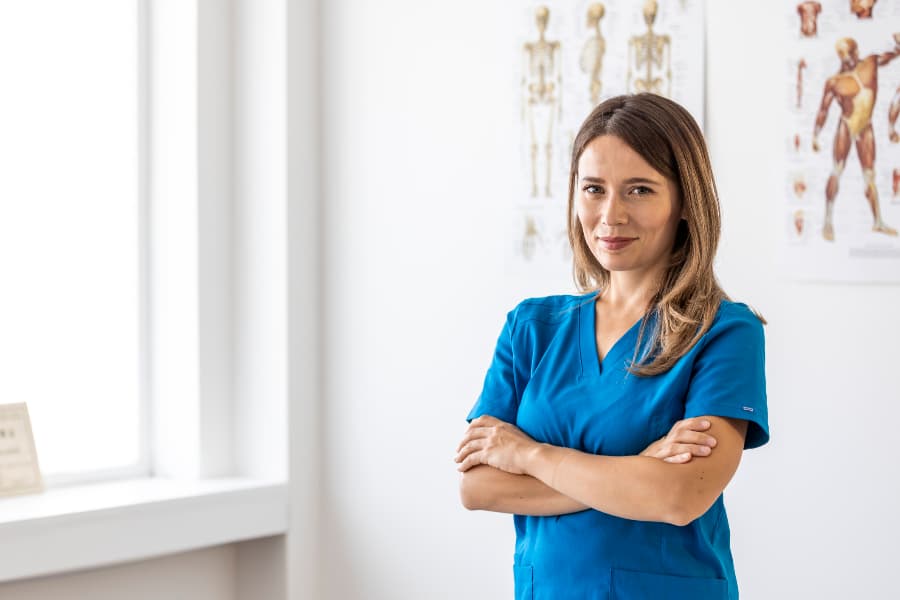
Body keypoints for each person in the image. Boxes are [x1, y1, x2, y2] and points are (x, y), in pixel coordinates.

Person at [455, 93, 769, 600]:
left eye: (639, 190)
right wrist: (635, 468)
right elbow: (479, 488)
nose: (610, 215)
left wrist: (528, 454)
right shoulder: (532, 328)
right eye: (594, 189)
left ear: (686, 201)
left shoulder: (725, 332)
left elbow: (679, 495)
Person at [812, 35, 900, 240]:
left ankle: (877, 221)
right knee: (837, 170)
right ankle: (827, 220)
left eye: (851, 52)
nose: (849, 57)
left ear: (856, 51)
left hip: (865, 127)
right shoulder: (835, 82)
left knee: (870, 176)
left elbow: (891, 56)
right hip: (847, 124)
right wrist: (816, 135)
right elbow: (823, 111)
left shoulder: (870, 63)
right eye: (845, 54)